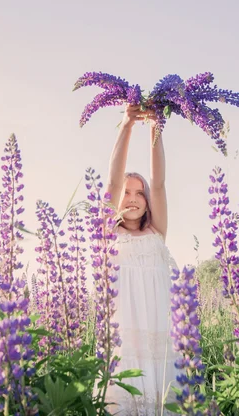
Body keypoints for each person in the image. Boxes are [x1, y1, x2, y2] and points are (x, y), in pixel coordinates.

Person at [103, 103, 179, 415]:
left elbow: (158, 182)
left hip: (157, 336)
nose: (133, 198)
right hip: (124, 340)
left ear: (148, 202)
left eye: (140, 193)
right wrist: (127, 125)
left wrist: (154, 128)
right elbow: (112, 182)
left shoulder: (157, 233)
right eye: (127, 192)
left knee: (159, 402)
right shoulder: (108, 236)